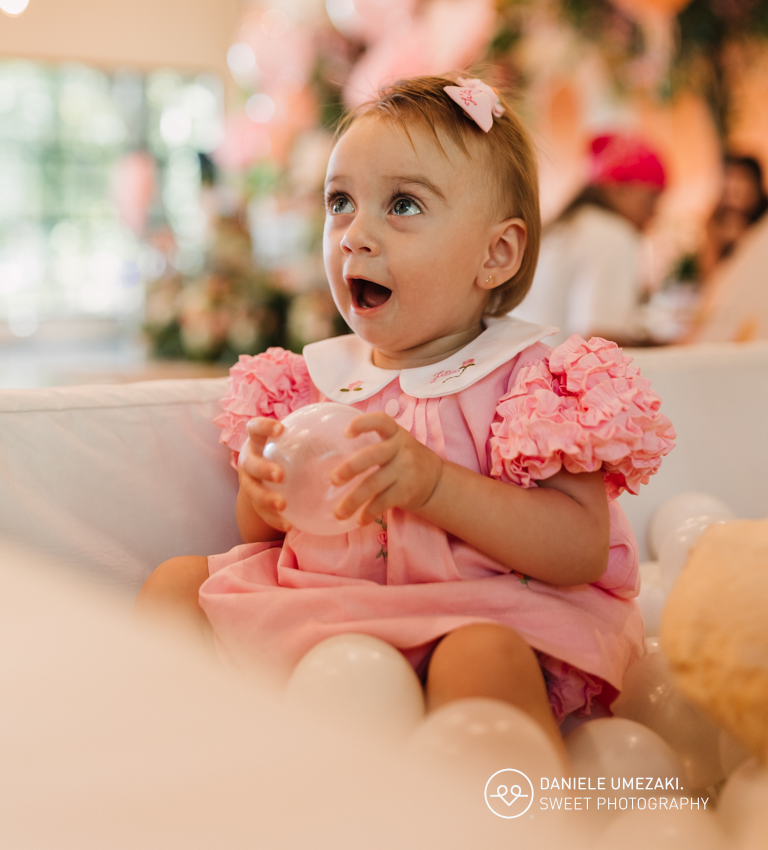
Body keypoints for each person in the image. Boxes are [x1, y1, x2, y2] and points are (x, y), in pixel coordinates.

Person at [136, 76, 675, 760]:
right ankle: (169, 768)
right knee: (177, 585)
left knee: (478, 659)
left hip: (482, 617)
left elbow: (578, 549)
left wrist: (435, 486)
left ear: (496, 255)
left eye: (403, 205)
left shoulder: (531, 380)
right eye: (340, 203)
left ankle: (507, 819)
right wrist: (265, 492)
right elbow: (269, 531)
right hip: (328, 617)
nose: (355, 235)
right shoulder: (319, 380)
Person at [519, 133, 667, 345]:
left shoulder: (563, 228)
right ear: (619, 189)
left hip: (525, 370)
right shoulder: (614, 237)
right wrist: (662, 346)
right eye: (651, 200)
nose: (654, 213)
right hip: (561, 374)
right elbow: (599, 339)